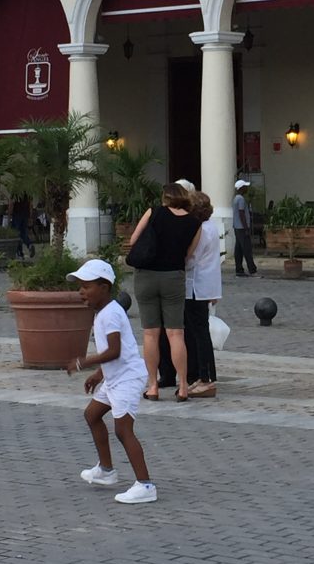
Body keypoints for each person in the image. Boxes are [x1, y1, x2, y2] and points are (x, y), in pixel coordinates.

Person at [64, 259, 156, 504]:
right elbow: (115, 351)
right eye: (80, 287)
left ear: (104, 287)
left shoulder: (111, 313)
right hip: (115, 376)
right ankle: (106, 471)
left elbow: (114, 351)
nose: (81, 291)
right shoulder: (103, 313)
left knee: (123, 430)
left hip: (128, 377)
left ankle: (145, 485)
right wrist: (99, 375)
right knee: (92, 415)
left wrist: (84, 363)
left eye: (87, 286)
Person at [130, 183, 201, 401]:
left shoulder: (154, 212)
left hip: (146, 276)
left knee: (151, 333)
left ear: (166, 197)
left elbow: (133, 240)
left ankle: (153, 386)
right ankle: (182, 386)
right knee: (176, 333)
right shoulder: (194, 223)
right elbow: (189, 254)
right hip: (173, 276)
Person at [184, 191, 221, 398]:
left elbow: (191, 257)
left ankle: (205, 378)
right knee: (200, 331)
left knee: (198, 333)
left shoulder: (200, 230)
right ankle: (203, 375)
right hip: (206, 284)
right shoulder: (212, 227)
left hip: (196, 285)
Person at [232, 179, 257, 276]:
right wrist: (246, 228)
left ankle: (239, 269)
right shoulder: (241, 199)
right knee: (247, 249)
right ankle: (252, 269)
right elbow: (241, 213)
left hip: (237, 227)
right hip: (242, 228)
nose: (247, 188)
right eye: (245, 186)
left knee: (238, 249)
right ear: (241, 188)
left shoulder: (236, 198)